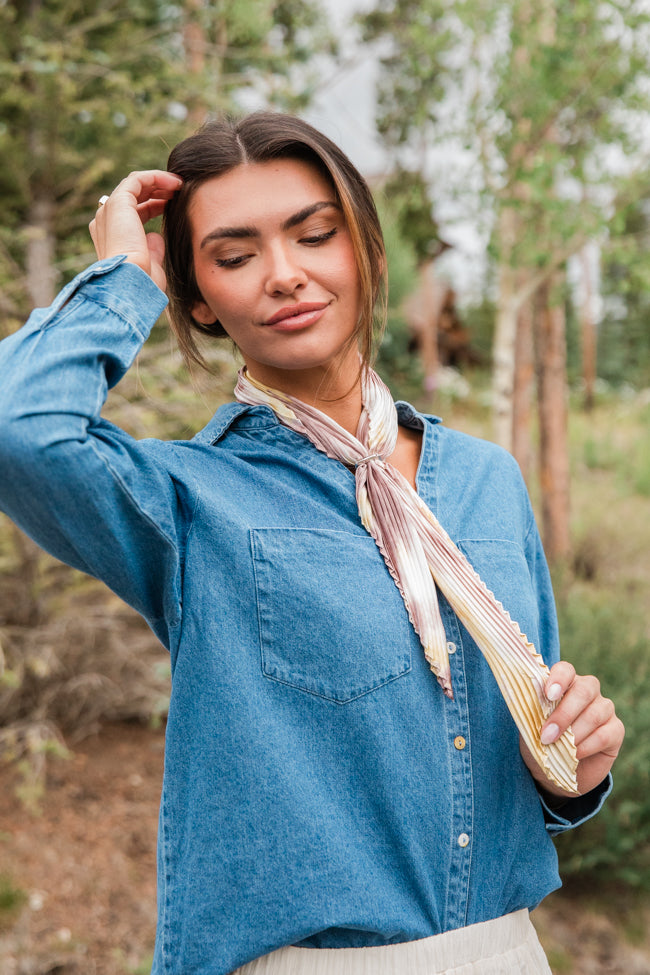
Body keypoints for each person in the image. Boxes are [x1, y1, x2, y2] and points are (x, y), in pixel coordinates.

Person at [0, 113, 624, 975]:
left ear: (363, 249)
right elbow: (19, 429)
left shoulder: (486, 480)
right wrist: (119, 280)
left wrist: (573, 774)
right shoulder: (187, 500)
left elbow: (537, 744)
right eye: (233, 256)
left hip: (506, 950)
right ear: (195, 299)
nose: (285, 275)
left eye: (314, 234)